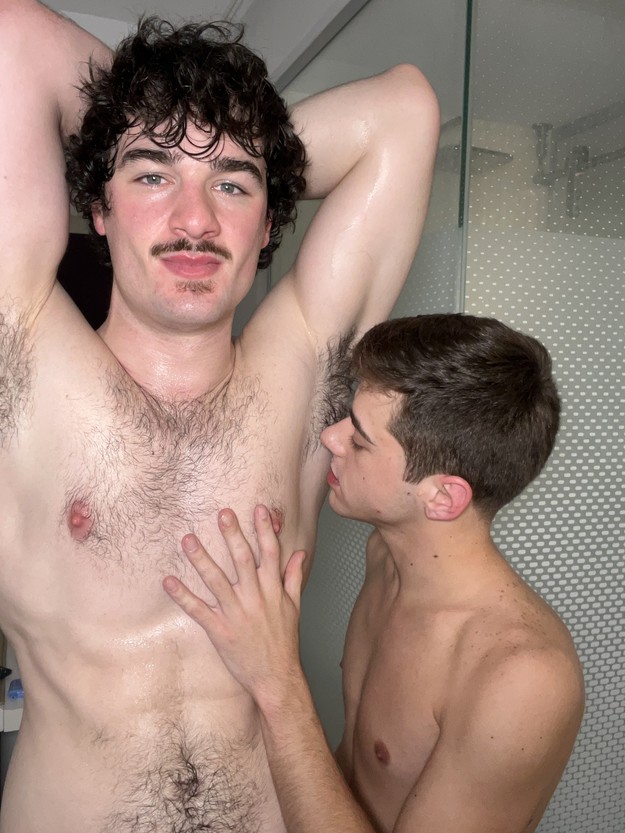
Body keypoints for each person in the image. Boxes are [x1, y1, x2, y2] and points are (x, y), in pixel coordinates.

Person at [0, 1, 439, 830]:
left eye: (232, 184)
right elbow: (11, 36)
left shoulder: (299, 375)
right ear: (98, 207)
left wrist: (196, 137)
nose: (196, 219)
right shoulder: (22, 357)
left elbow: (404, 111)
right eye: (151, 176)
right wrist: (171, 115)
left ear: (270, 220)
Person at [165, 314, 586, 833]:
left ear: (442, 496)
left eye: (361, 440)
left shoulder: (520, 677)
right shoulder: (386, 557)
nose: (331, 437)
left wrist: (275, 679)